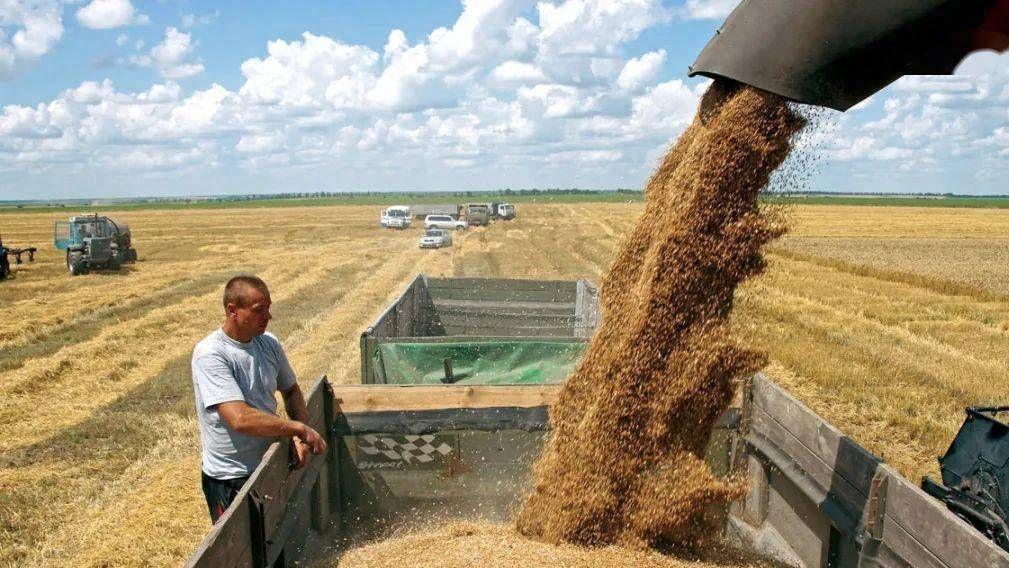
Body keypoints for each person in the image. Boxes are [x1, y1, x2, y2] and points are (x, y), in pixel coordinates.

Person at [191, 275, 327, 522]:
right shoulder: (211, 354)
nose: (268, 316)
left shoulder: (268, 343)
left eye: (268, 308)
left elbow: (291, 390)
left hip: (269, 466)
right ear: (232, 310)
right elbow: (239, 418)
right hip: (231, 477)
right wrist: (298, 428)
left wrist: (299, 436)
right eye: (258, 310)